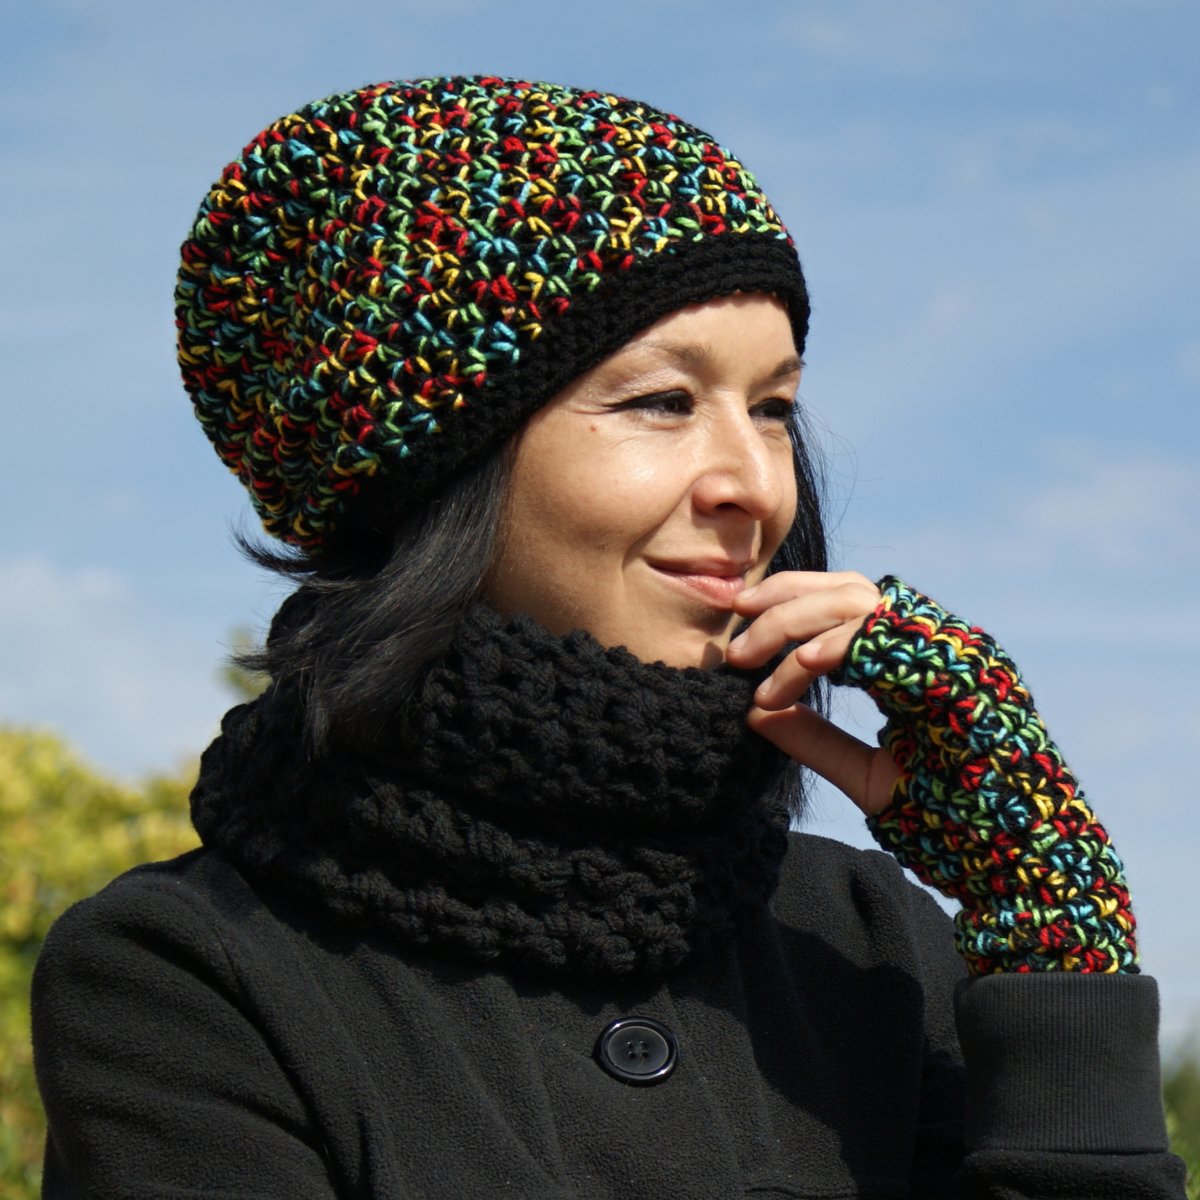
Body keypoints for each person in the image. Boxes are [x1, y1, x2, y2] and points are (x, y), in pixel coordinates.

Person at [31, 75, 1185, 1198]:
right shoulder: (182, 979)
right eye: (662, 402)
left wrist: (1049, 931)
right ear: (433, 468)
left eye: (773, 409)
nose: (754, 485)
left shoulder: (871, 940)